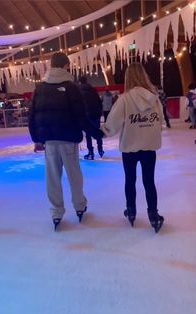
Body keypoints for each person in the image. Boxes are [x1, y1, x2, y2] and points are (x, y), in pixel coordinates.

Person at [28, 52, 103, 230]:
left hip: (50, 142)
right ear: (65, 66)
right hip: (69, 139)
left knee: (52, 177)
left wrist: (36, 139)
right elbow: (81, 116)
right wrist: (96, 133)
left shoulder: (40, 88)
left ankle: (56, 211)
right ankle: (79, 205)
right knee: (74, 175)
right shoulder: (71, 87)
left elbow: (32, 115)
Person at [101, 62, 164, 233]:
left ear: (129, 78)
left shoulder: (125, 99)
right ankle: (153, 213)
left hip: (130, 147)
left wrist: (103, 131)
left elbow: (112, 123)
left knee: (130, 180)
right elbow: (160, 121)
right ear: (144, 76)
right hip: (149, 147)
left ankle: (131, 210)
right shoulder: (154, 98)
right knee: (149, 181)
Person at [78, 76, 104, 160]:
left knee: (88, 134)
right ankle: (100, 149)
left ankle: (91, 152)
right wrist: (100, 112)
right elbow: (99, 102)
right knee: (97, 131)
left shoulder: (79, 91)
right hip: (96, 113)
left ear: (79, 82)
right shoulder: (93, 90)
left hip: (86, 114)